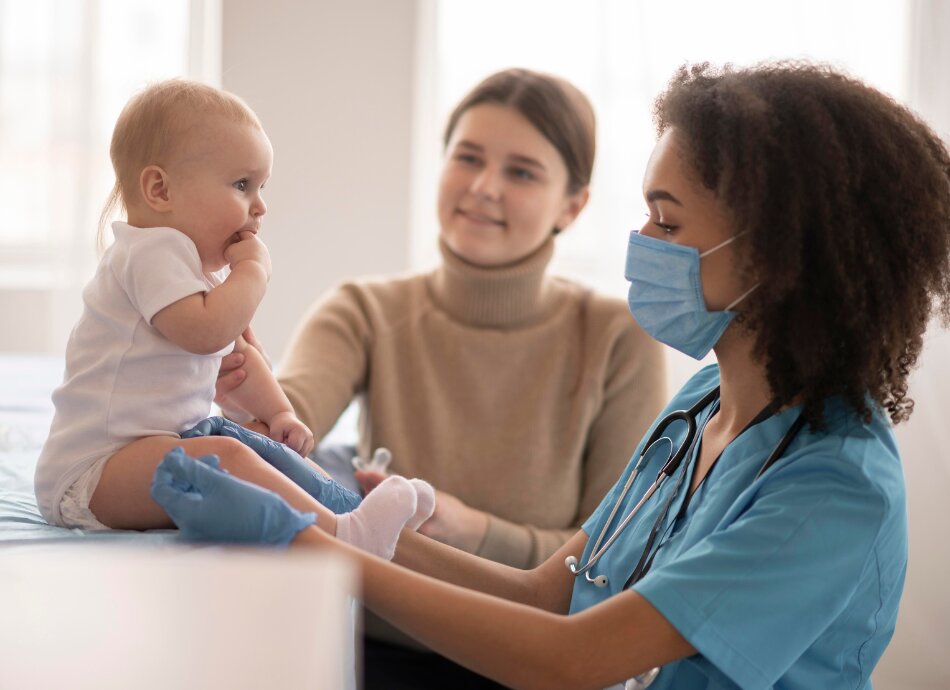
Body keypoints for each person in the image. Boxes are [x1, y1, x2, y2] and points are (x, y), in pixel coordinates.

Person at [152, 61, 950, 689]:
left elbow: (565, 658)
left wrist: (309, 547)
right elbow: (549, 590)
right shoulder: (707, 404)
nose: (643, 239)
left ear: (779, 254)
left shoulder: (832, 487)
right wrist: (320, 505)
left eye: (667, 222)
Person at [216, 68, 666, 686]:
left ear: (574, 204)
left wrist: (470, 528)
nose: (483, 187)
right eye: (468, 158)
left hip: (528, 663)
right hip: (376, 649)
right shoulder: (365, 309)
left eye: (521, 172)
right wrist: (243, 387)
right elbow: (285, 420)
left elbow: (610, 562)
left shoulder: (619, 338)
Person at [33, 79, 431, 561]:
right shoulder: (147, 252)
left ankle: (354, 511)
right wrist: (254, 273)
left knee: (258, 447)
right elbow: (207, 335)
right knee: (231, 456)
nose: (260, 206)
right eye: (243, 185)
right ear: (160, 189)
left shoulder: (196, 272)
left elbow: (236, 357)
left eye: (262, 187)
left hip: (155, 450)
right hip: (93, 475)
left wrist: (279, 412)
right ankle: (345, 534)